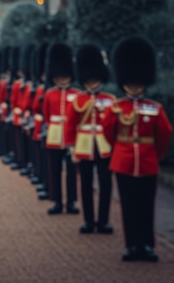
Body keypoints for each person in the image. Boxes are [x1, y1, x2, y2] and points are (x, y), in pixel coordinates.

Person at [102, 36, 172, 262]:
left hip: (148, 162)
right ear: (124, 83)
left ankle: (147, 245)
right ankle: (132, 245)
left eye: (138, 84)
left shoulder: (154, 108)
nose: (134, 87)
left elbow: (164, 134)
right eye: (131, 84)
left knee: (147, 206)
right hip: (123, 161)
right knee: (128, 206)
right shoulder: (116, 107)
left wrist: (156, 154)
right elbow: (108, 132)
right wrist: (120, 149)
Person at [64, 44, 115, 234]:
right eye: (89, 81)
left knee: (105, 183)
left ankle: (103, 221)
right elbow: (70, 125)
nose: (92, 84)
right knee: (85, 184)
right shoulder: (78, 100)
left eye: (95, 80)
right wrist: (71, 147)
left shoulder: (110, 100)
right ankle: (89, 221)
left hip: (104, 146)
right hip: (84, 146)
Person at [42, 42, 80, 215]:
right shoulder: (50, 94)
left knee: (72, 171)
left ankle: (71, 201)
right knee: (55, 169)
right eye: (59, 76)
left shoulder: (77, 94)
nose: (62, 79)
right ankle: (57, 201)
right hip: (55, 133)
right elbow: (47, 115)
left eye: (65, 76)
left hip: (72, 136)